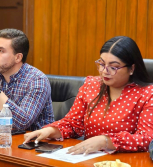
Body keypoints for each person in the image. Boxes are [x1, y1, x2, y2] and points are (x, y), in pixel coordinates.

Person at [24, 36, 153, 154]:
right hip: (88, 158)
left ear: (132, 69)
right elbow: (74, 124)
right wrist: (49, 131)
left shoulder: (147, 93)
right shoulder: (92, 85)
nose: (104, 71)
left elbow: (146, 138)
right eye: (102, 64)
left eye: (113, 67)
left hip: (125, 163)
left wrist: (106, 141)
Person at [0, 29, 54, 130]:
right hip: (5, 138)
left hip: (36, 142)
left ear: (18, 57)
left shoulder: (37, 80)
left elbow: (22, 123)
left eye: (0, 51)